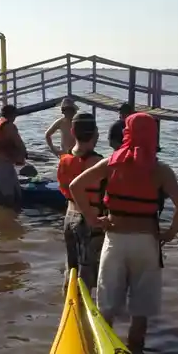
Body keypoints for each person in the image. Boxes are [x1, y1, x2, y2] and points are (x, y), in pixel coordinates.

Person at [69, 112, 178, 354]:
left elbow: (75, 186)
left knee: (107, 307)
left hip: (115, 241)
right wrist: (170, 233)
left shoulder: (111, 163)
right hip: (147, 244)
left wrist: (93, 219)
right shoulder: (161, 170)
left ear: (127, 133)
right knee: (140, 310)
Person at [57, 113, 105, 288]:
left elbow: (64, 189)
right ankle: (85, 304)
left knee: (71, 268)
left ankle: (68, 301)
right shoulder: (99, 163)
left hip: (69, 216)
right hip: (89, 221)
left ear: (72, 132)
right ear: (96, 133)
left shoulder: (64, 160)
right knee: (88, 272)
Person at [0, 103, 28, 205]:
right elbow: (19, 144)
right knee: (9, 197)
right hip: (3, 165)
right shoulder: (9, 126)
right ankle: (8, 212)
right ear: (13, 114)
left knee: (7, 193)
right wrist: (24, 155)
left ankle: (1, 213)